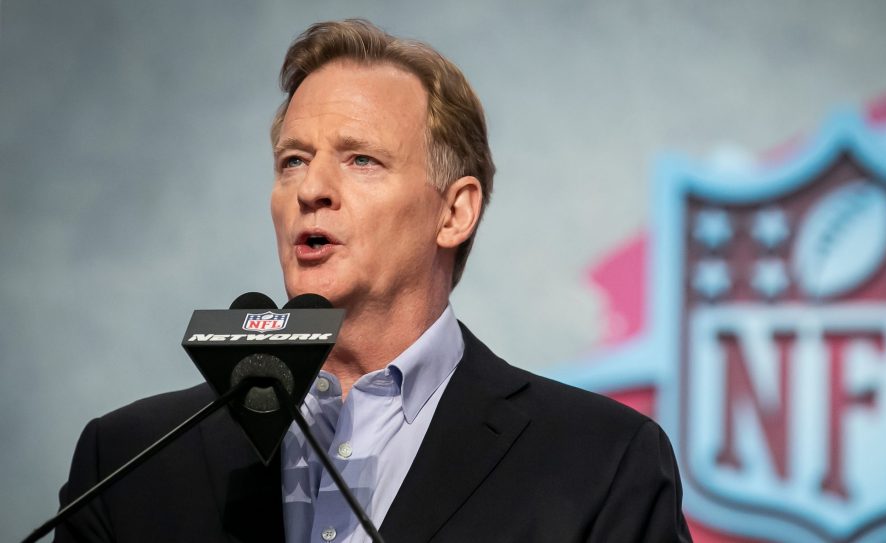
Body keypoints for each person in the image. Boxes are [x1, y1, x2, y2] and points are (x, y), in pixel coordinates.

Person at [56, 18, 691, 543]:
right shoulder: (128, 462)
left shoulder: (600, 463)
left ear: (453, 211)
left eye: (361, 160)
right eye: (293, 161)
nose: (311, 189)